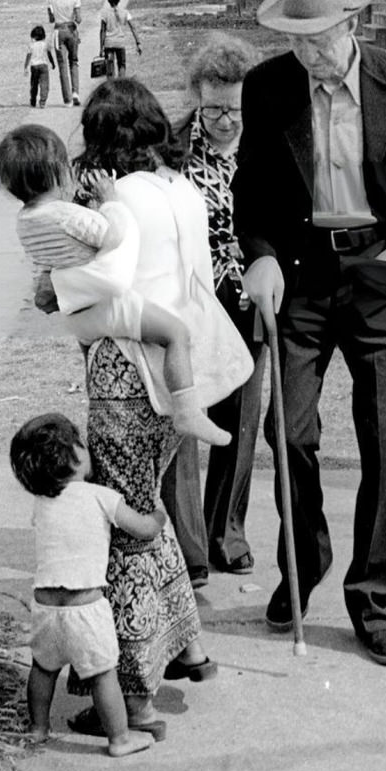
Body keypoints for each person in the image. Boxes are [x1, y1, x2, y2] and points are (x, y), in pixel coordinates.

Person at [233, 0, 386, 668]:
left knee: (382, 442)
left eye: (320, 37)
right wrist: (261, 254)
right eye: (295, 38)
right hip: (300, 275)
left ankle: (372, 599)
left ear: (351, 24)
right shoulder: (268, 87)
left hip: (380, 276)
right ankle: (305, 562)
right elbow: (255, 190)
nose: (308, 52)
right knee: (289, 434)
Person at [67, 78, 253, 737]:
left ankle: (132, 693)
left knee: (122, 526)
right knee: (150, 513)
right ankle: (184, 644)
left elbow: (98, 290)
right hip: (180, 379)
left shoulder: (117, 201)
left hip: (125, 369)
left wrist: (62, 296)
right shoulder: (181, 188)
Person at [0, 123, 231, 445]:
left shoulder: (25, 221)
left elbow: (70, 250)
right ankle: (187, 410)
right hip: (109, 308)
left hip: (78, 319)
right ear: (57, 173)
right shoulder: (64, 214)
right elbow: (112, 235)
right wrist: (109, 201)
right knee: (177, 333)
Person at [161, 35, 266, 588]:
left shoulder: (269, 143)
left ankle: (229, 532)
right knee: (183, 409)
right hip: (189, 296)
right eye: (213, 108)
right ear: (198, 99)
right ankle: (188, 545)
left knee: (241, 414)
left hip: (250, 292)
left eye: (234, 109)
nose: (224, 121)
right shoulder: (172, 147)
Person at [9, 411, 162, 756]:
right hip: (86, 607)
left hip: (46, 606)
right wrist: (158, 516)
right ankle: (120, 738)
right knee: (102, 674)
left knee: (43, 669)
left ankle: (38, 728)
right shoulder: (99, 495)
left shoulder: (42, 503)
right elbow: (143, 529)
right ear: (75, 455)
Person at [47, 0, 82, 105]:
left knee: (62, 65)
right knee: (73, 61)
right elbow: (79, 19)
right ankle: (75, 93)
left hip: (58, 31)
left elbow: (51, 19)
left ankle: (67, 99)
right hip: (71, 30)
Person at [98, 0, 141, 77]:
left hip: (108, 44)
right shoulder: (125, 12)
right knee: (122, 65)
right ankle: (121, 85)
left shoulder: (104, 13)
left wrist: (101, 48)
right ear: (119, 0)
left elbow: (102, 31)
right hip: (120, 44)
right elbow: (133, 28)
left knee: (109, 68)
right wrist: (138, 42)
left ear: (108, 0)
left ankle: (111, 86)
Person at [25, 24, 55, 107]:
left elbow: (28, 56)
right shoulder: (45, 44)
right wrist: (52, 63)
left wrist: (26, 66)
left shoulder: (31, 45)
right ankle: (42, 101)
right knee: (44, 84)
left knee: (34, 84)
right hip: (43, 65)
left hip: (34, 66)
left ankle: (33, 99)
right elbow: (49, 54)